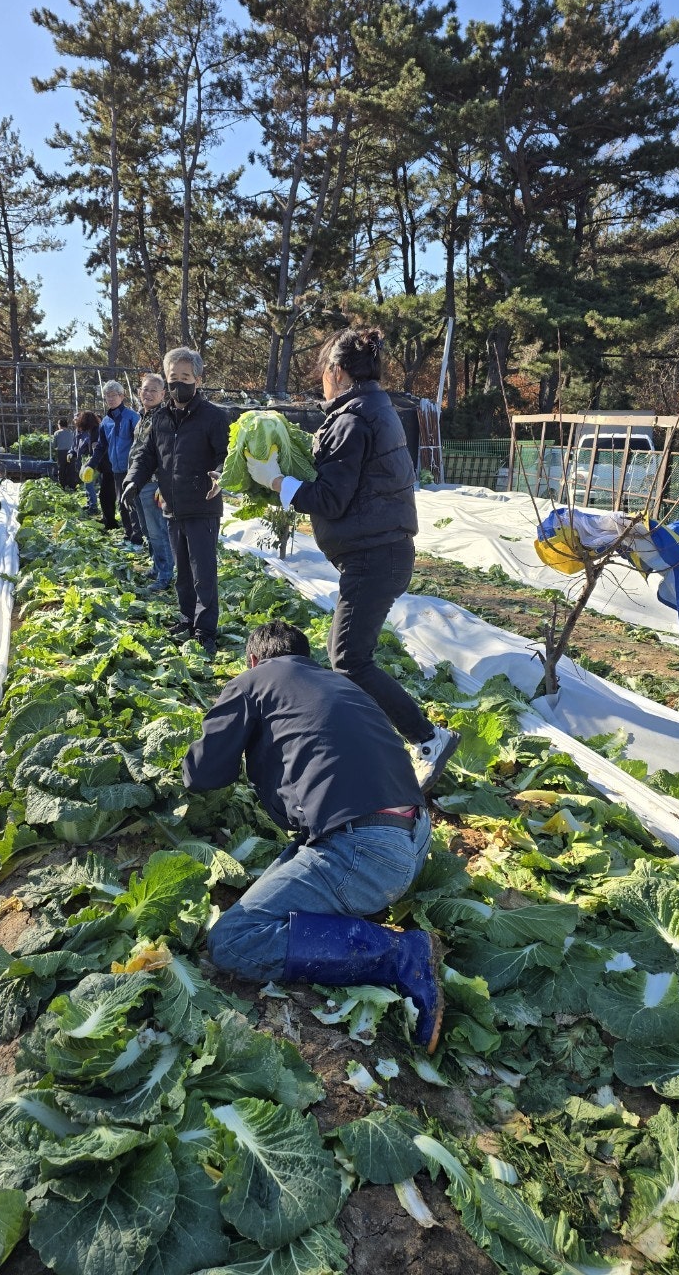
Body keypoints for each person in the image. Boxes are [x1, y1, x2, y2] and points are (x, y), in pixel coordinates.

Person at [182, 619, 442, 1053]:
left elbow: (204, 773)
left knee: (233, 941)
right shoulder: (342, 683)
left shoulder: (255, 680)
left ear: (252, 659)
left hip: (366, 854)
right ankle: (362, 912)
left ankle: (400, 954)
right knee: (295, 860)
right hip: (414, 838)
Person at [246, 327, 459, 793]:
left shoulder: (352, 419)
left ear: (337, 372)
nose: (322, 380)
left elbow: (331, 497)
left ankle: (427, 739)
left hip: (373, 555)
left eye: (324, 371)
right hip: (380, 551)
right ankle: (393, 734)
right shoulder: (372, 409)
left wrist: (277, 482)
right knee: (350, 654)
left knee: (348, 657)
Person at [122, 346, 229, 655]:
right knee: (183, 571)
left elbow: (226, 454)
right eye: (173, 377)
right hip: (172, 506)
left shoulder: (213, 417)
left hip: (203, 506)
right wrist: (132, 481)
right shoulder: (161, 419)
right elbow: (146, 455)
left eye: (185, 376)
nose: (178, 383)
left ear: (197, 379)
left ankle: (205, 630)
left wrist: (221, 474)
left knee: (203, 574)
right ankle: (186, 618)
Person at [129, 373, 174, 591]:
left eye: (153, 390)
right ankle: (157, 567)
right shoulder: (142, 417)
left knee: (158, 531)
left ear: (163, 394)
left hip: (153, 483)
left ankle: (165, 575)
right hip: (139, 482)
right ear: (139, 392)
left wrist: (163, 486)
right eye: (145, 389)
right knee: (147, 530)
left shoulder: (162, 418)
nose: (148, 393)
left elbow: (165, 454)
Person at [98, 380, 143, 544]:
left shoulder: (132, 417)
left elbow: (140, 444)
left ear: (122, 396)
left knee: (133, 503)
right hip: (116, 469)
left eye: (113, 395)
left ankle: (137, 538)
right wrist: (90, 463)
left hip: (132, 468)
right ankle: (128, 533)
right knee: (122, 503)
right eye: (107, 396)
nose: (110, 399)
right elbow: (101, 446)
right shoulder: (105, 421)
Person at [72, 411, 101, 514]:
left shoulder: (96, 431)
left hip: (96, 462)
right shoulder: (90, 431)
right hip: (90, 460)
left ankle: (93, 507)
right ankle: (90, 503)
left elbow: (96, 448)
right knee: (87, 484)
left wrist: (92, 463)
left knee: (90, 484)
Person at [51, 417, 78, 490]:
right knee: (71, 469)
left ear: (59, 425)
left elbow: (54, 445)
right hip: (71, 452)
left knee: (61, 469)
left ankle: (62, 485)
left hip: (61, 452)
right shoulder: (71, 432)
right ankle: (72, 486)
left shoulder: (57, 433)